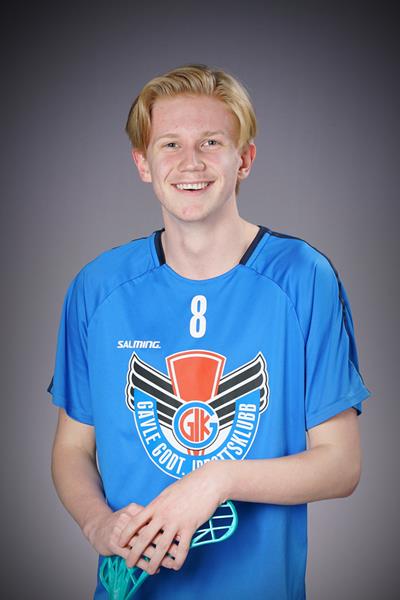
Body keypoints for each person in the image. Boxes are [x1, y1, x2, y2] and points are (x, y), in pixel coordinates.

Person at [48, 64, 371, 599]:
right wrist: (96, 523)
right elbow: (71, 449)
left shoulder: (302, 278)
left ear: (244, 159)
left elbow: (342, 465)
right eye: (170, 144)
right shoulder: (98, 287)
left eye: (211, 142)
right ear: (143, 163)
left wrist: (218, 478)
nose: (190, 162)